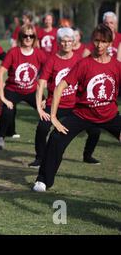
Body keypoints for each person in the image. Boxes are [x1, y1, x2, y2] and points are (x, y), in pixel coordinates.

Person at [33, 24, 121, 192]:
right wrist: (53, 117)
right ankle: (43, 180)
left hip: (109, 115)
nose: (99, 45)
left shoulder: (117, 66)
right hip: (83, 114)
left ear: (110, 43)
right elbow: (59, 88)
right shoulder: (84, 64)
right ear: (91, 41)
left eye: (104, 42)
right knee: (56, 138)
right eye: (96, 41)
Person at [31, 28, 101, 168]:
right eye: (63, 41)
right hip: (55, 104)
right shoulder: (52, 60)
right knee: (42, 128)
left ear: (73, 42)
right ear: (58, 42)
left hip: (75, 105)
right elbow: (41, 84)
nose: (67, 44)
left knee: (95, 129)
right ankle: (40, 158)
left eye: (69, 41)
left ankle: (87, 155)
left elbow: (87, 81)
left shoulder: (79, 60)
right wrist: (39, 108)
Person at [0, 24, 47, 150]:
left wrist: (47, 96)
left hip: (31, 90)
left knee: (47, 111)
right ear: (20, 37)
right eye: (25, 35)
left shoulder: (40, 54)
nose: (28, 38)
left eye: (31, 36)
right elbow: (0, 73)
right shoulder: (13, 52)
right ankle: (0, 138)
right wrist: (3, 97)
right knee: (7, 111)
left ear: (35, 38)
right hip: (13, 90)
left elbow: (50, 73)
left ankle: (46, 138)